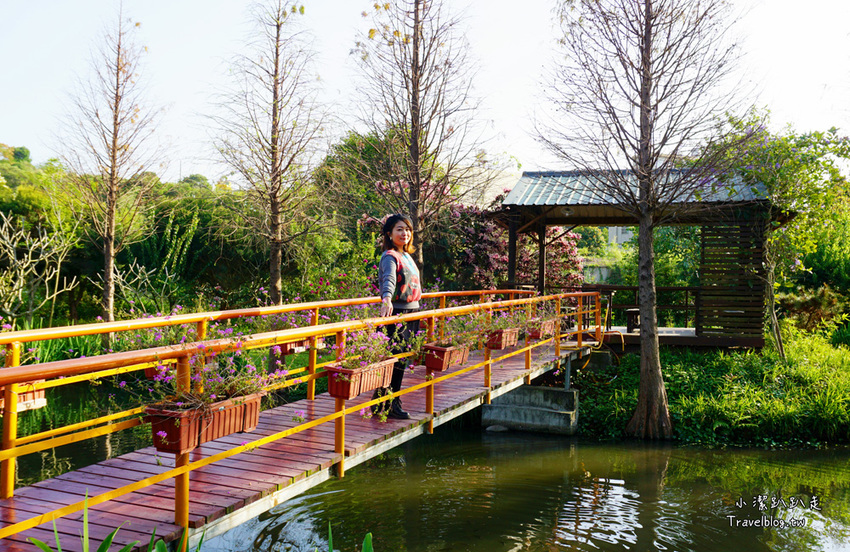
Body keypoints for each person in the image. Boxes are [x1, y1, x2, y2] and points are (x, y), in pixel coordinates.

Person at [375, 214, 422, 420]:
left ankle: (383, 404)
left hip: (412, 312)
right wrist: (386, 298)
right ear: (389, 233)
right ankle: (390, 403)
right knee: (394, 359)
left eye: (407, 229)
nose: (405, 233)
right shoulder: (390, 256)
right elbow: (389, 279)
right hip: (399, 313)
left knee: (401, 358)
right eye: (400, 229)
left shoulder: (407, 255)